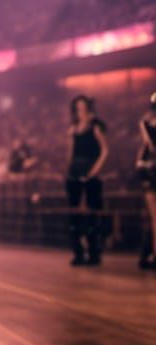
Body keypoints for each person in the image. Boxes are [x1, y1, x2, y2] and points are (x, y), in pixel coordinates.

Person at [65, 95, 108, 266]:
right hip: (75, 172)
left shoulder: (96, 126)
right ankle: (78, 252)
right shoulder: (73, 128)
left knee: (92, 213)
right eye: (77, 108)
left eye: (82, 107)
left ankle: (94, 252)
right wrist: (69, 171)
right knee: (75, 214)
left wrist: (95, 170)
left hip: (91, 170)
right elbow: (70, 153)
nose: (80, 111)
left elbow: (105, 150)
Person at [136, 92, 156, 270]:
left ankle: (147, 254)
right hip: (151, 172)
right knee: (153, 218)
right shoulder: (147, 124)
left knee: (153, 218)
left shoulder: (146, 124)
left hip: (149, 170)